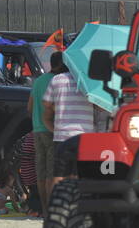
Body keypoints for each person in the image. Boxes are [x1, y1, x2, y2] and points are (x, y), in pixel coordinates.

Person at [43, 62, 106, 189]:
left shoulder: (56, 79)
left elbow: (46, 103)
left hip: (62, 136)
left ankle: (55, 206)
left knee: (59, 175)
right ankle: (75, 205)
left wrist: (61, 106)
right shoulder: (88, 81)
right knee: (78, 174)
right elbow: (100, 107)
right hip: (85, 136)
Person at [29, 50, 64, 212]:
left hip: (37, 130)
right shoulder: (58, 81)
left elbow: (29, 107)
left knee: (41, 173)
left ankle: (43, 208)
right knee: (52, 172)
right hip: (52, 130)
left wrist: (36, 120)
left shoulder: (39, 81)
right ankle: (50, 208)